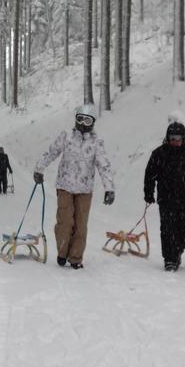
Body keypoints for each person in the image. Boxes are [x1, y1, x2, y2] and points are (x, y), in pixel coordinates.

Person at [33, 103, 115, 269]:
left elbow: (103, 165)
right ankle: (62, 253)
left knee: (80, 226)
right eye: (80, 119)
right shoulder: (66, 137)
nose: (83, 124)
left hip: (84, 191)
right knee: (64, 222)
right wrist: (39, 168)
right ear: (75, 119)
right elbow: (52, 152)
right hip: (65, 187)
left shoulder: (96, 143)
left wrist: (109, 188)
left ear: (92, 123)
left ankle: (75, 258)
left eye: (87, 120)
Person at [144, 120, 185, 272]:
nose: (175, 141)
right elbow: (149, 175)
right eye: (172, 138)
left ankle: (177, 252)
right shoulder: (159, 153)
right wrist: (149, 193)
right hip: (166, 200)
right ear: (167, 138)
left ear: (183, 138)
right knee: (167, 230)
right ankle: (169, 259)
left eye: (178, 138)